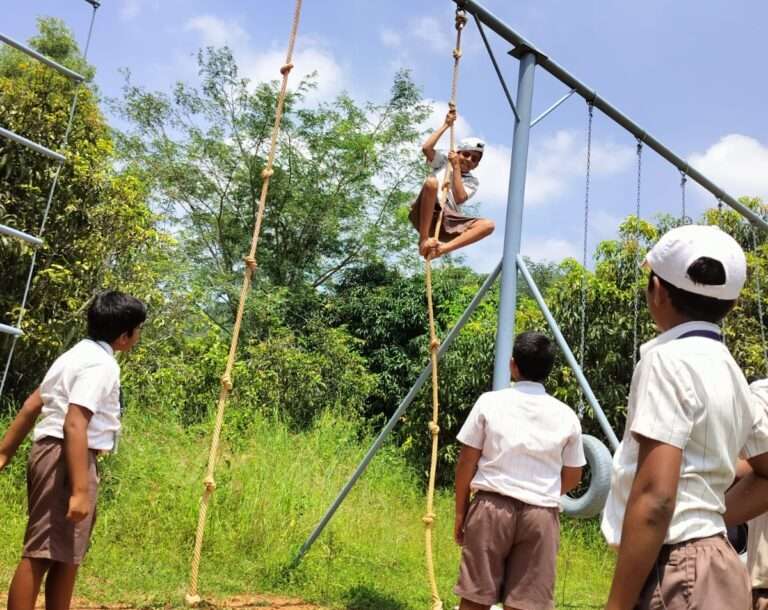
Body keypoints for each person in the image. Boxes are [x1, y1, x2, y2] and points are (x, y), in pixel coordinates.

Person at [601, 224, 768, 610]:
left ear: (657, 291)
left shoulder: (665, 360)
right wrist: (710, 517)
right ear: (732, 304)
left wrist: (617, 605)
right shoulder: (731, 371)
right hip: (721, 563)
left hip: (677, 570)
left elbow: (657, 498)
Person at [0, 290, 147, 610]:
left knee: (68, 554)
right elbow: (75, 423)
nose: (138, 337)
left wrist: (4, 453)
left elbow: (32, 405)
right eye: (138, 330)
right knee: (40, 553)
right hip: (66, 457)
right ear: (124, 335)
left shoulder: (74, 355)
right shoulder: (102, 365)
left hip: (58, 454)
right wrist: (80, 490)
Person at [453, 331, 585, 610]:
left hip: (491, 508)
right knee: (526, 604)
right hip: (540, 516)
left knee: (475, 600)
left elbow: (466, 462)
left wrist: (461, 513)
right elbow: (574, 475)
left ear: (513, 365)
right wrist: (542, 490)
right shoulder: (567, 415)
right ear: (548, 370)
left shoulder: (489, 402)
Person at [409, 107, 494, 259]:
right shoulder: (444, 162)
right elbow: (427, 148)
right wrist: (446, 125)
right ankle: (423, 241)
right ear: (457, 153)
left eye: (474, 159)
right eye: (466, 154)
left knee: (488, 225)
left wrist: (456, 168)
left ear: (476, 165)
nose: (469, 160)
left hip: (447, 221)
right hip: (424, 213)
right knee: (431, 183)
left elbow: (459, 198)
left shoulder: (472, 181)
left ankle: (441, 250)